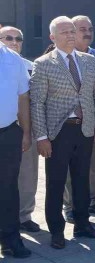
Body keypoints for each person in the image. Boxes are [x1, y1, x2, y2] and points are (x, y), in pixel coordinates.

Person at [31, 16, 95, 249]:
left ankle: (83, 224)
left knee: (81, 180)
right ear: (52, 37)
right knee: (56, 183)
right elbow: (37, 103)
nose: (71, 35)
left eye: (72, 31)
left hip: (84, 130)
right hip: (58, 132)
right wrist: (41, 137)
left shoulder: (88, 60)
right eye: (64, 32)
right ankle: (56, 231)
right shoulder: (43, 63)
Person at [0, 27, 40, 234]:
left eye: (19, 39)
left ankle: (24, 216)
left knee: (27, 176)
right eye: (9, 38)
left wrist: (29, 131)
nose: (14, 42)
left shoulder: (30, 66)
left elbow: (31, 98)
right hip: (6, 127)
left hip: (24, 127)